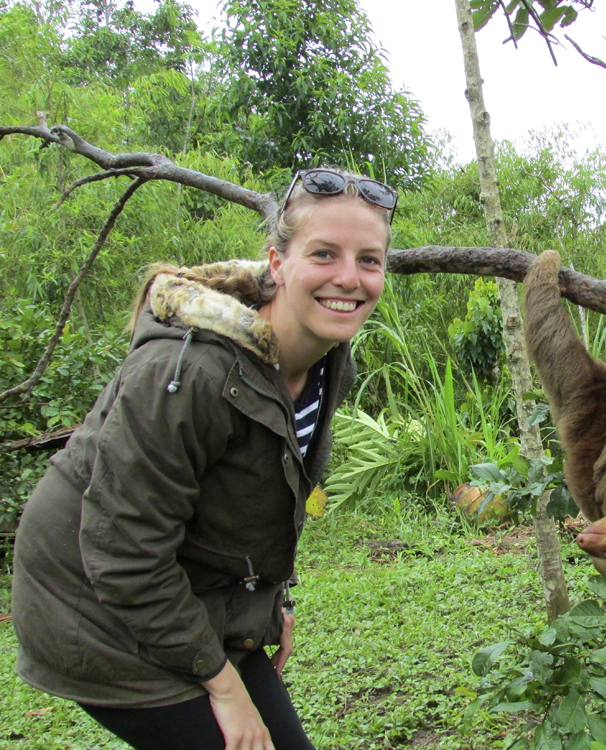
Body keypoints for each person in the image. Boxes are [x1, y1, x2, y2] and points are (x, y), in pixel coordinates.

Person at [11, 168, 397, 750]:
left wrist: (267, 608)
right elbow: (122, 551)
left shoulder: (323, 355)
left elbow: (254, 501)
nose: (349, 278)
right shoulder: (186, 372)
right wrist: (223, 683)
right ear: (276, 263)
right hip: (91, 605)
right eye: (324, 253)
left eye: (369, 260)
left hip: (182, 593)